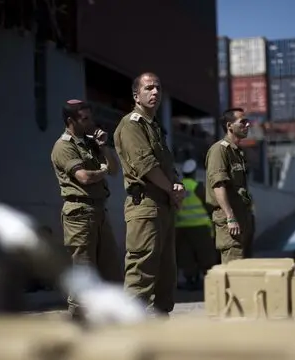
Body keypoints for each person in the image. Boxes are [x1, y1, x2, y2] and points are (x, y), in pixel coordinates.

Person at [113, 72, 185, 316]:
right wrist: (170, 189)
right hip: (144, 207)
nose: (155, 92)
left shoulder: (155, 128)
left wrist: (177, 185)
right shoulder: (131, 125)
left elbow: (166, 165)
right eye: (149, 88)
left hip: (162, 206)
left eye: (158, 88)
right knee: (141, 272)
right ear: (136, 95)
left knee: (166, 276)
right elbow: (146, 166)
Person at [50, 99, 123, 320]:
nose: (91, 122)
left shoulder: (90, 143)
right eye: (85, 119)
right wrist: (102, 169)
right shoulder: (64, 146)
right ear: (71, 121)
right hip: (79, 215)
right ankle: (78, 320)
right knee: (83, 272)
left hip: (99, 212)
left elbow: (115, 169)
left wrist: (103, 146)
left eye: (91, 117)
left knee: (111, 270)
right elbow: (83, 177)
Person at [205, 108, 255, 264]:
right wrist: (230, 217)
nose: (248, 124)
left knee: (245, 269)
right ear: (229, 126)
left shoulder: (237, 152)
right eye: (243, 122)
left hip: (243, 219)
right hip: (231, 222)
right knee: (234, 267)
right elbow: (218, 185)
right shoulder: (219, 151)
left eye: (248, 121)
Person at [175, 159, 217, 291]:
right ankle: (207, 280)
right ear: (193, 173)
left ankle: (190, 280)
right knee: (204, 254)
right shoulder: (197, 187)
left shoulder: (178, 186)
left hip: (181, 227)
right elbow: (209, 205)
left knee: (186, 254)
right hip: (199, 228)